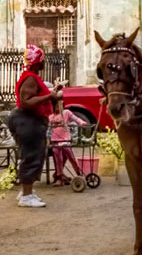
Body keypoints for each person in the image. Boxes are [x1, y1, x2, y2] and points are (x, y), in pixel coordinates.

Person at [9, 44, 64, 208]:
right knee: (31, 156)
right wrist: (50, 95)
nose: (45, 62)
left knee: (34, 155)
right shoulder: (31, 78)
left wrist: (50, 93)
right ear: (38, 62)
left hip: (32, 121)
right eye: (43, 59)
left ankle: (27, 192)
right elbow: (26, 101)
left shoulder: (31, 76)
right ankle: (26, 195)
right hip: (28, 121)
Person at [47, 105, 87, 185]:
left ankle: (79, 174)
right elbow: (48, 130)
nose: (57, 108)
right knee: (58, 160)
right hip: (55, 141)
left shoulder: (66, 113)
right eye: (55, 106)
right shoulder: (50, 117)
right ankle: (59, 177)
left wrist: (82, 122)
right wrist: (48, 141)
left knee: (71, 157)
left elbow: (75, 118)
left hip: (65, 139)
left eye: (59, 106)